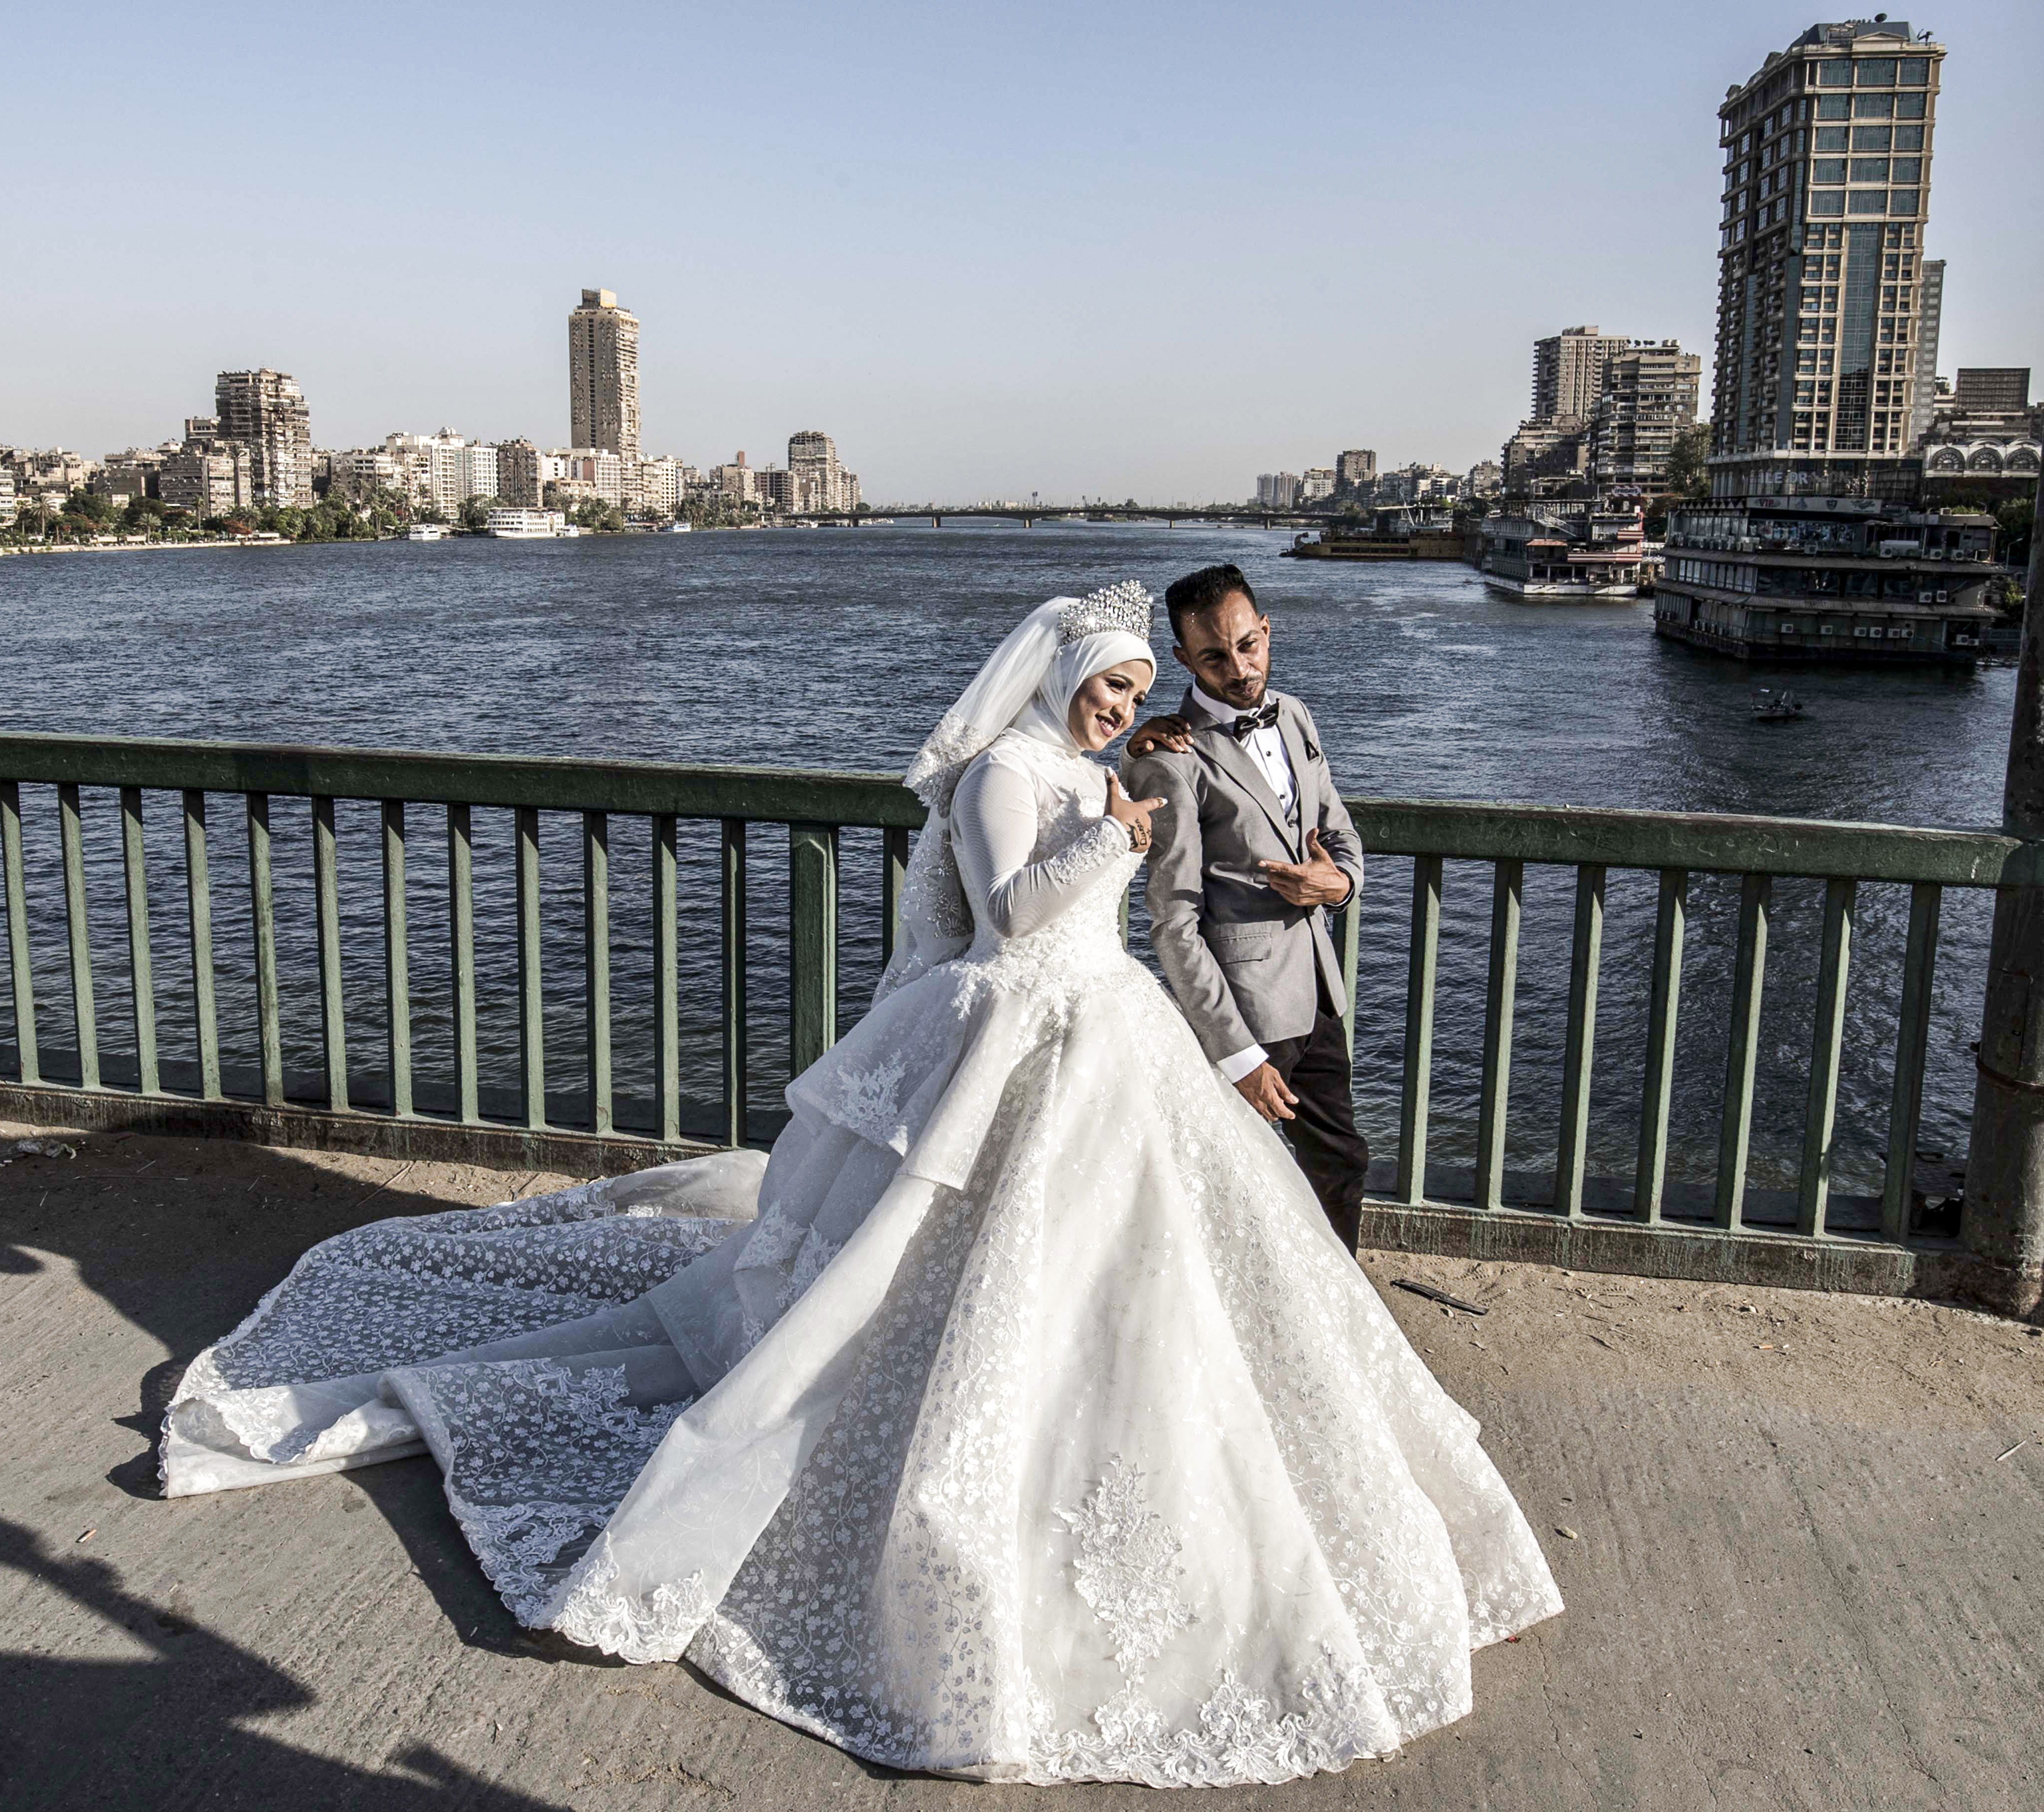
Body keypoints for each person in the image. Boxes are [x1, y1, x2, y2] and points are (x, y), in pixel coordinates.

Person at [159, 586, 1561, 1787]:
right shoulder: (1008, 775)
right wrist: (1118, 833)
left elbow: (1134, 865)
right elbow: (1012, 912)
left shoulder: (1102, 766)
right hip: (1025, 1029)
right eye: (1110, 685)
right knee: (959, 1267)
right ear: (1061, 678)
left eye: (1137, 687)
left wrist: (1135, 807)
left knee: (1144, 1270)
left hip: (1111, 1029)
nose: (1122, 707)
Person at [1122, 562, 1369, 1254]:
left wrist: (1338, 885)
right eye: (1213, 656)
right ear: (1182, 660)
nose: (1238, 668)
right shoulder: (1167, 757)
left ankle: (1335, 1323)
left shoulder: (1295, 715)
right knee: (1228, 1188)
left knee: (1341, 1163)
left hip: (1318, 990)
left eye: (1247, 645)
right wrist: (1237, 1056)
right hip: (1244, 1010)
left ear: (1265, 630)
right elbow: (1173, 922)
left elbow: (1339, 830)